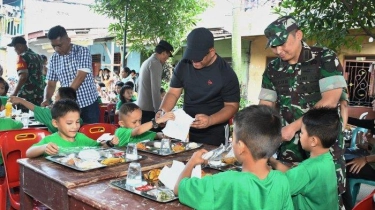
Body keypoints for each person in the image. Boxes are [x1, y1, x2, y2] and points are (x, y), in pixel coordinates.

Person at [259, 16, 348, 207]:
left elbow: (330, 101)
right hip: (288, 147)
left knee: (325, 199)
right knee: (287, 195)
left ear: (298, 35)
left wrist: (294, 127)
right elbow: (265, 105)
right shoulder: (273, 68)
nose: (278, 51)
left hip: (322, 146)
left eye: (282, 44)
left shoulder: (324, 58)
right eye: (273, 47)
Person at [173, 105, 293, 209]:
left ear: (240, 146)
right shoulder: (281, 181)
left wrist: (192, 162)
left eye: (233, 138)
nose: (231, 141)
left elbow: (179, 188)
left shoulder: (227, 182)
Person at [157, 28, 240, 145]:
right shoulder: (184, 65)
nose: (194, 61)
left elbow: (232, 106)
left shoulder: (226, 73)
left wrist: (210, 120)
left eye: (198, 57)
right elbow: (173, 93)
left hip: (214, 132)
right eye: (191, 57)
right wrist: (163, 111)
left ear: (211, 52)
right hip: (185, 128)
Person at [269, 107, 340, 210]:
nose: (299, 136)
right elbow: (294, 175)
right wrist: (272, 161)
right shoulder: (327, 159)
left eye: (301, 133)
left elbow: (278, 188)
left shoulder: (307, 169)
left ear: (313, 141)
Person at [42, 25, 99, 123]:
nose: (56, 49)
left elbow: (80, 77)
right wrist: (46, 99)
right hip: (68, 107)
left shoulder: (82, 51)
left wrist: (63, 97)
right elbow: (51, 84)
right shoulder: (53, 59)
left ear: (68, 40)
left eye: (59, 45)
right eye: (53, 46)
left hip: (88, 105)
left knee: (89, 135)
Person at [26, 99, 118, 158]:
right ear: (55, 123)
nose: (75, 126)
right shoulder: (51, 140)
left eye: (77, 122)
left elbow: (99, 147)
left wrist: (110, 143)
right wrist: (44, 147)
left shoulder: (81, 137)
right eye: (69, 123)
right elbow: (29, 153)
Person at [9, 87, 79, 133]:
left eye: (55, 98)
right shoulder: (77, 116)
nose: (53, 101)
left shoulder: (50, 114)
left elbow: (35, 108)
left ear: (60, 102)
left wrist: (20, 100)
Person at [137, 40, 174, 125]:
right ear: (164, 53)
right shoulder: (155, 63)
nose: (166, 59)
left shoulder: (147, 61)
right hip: (149, 109)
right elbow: (156, 89)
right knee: (153, 136)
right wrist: (159, 111)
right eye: (167, 56)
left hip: (142, 107)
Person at [7, 36, 45, 111]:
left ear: (20, 46)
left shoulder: (22, 57)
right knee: (37, 117)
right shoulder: (38, 56)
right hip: (39, 93)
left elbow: (23, 77)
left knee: (25, 117)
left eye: (15, 47)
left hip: (27, 95)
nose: (15, 50)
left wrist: (14, 93)